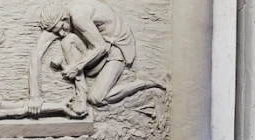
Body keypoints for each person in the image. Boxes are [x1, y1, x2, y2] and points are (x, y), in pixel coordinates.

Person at [27, 0, 165, 116]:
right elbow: (36, 56)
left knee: (96, 98)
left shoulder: (78, 15)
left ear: (64, 18)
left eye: (62, 28)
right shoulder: (56, 22)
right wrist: (34, 97)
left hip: (116, 46)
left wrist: (76, 67)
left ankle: (143, 83)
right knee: (67, 40)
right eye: (57, 31)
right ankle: (81, 99)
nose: (61, 33)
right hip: (96, 48)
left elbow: (101, 47)